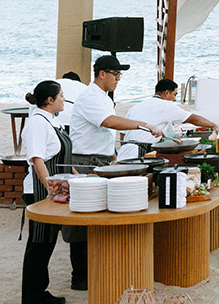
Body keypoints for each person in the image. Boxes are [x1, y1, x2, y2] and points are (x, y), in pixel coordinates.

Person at [64, 55, 163, 289]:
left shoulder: (103, 97)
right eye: (116, 74)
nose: (119, 79)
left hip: (100, 159)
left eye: (120, 75)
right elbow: (109, 122)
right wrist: (143, 125)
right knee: (82, 218)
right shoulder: (90, 96)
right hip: (84, 160)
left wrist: (113, 157)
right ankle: (80, 277)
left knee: (99, 214)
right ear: (102, 74)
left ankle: (95, 268)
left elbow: (104, 133)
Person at [20, 80, 71, 304]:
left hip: (54, 188)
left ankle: (41, 291)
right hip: (40, 191)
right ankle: (30, 303)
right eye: (61, 96)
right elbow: (37, 160)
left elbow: (61, 159)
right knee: (38, 244)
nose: (63, 99)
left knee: (48, 242)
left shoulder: (51, 120)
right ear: (49, 100)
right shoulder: (37, 124)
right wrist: (51, 190)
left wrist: (78, 177)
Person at [122, 78, 215, 150]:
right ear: (166, 93)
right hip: (142, 149)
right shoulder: (166, 105)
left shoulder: (136, 107)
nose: (174, 99)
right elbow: (194, 119)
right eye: (174, 95)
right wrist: (214, 126)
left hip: (125, 148)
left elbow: (123, 133)